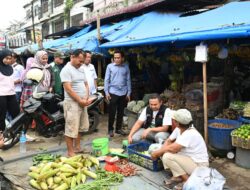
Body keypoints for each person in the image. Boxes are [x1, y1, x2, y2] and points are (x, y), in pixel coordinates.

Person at [151, 109, 209, 190]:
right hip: (189, 160)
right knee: (164, 151)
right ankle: (179, 176)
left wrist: (157, 153)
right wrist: (160, 151)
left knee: (167, 156)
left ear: (176, 122)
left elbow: (173, 148)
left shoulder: (190, 133)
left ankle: (186, 180)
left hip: (199, 166)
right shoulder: (180, 128)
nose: (172, 121)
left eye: (173, 120)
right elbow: (169, 140)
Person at [60, 49, 92, 157]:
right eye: (80, 61)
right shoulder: (66, 70)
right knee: (71, 128)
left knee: (80, 127)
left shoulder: (81, 69)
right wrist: (80, 100)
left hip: (82, 102)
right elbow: (68, 89)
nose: (81, 63)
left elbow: (86, 84)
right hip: (72, 103)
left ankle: (77, 147)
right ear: (72, 57)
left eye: (83, 61)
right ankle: (70, 152)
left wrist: (86, 97)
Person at [104, 50, 131, 137]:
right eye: (115, 58)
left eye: (118, 58)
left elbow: (128, 80)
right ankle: (110, 129)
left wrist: (129, 93)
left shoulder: (126, 67)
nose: (116, 59)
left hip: (123, 92)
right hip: (113, 92)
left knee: (121, 111)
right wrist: (106, 92)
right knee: (112, 112)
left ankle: (118, 129)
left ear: (122, 58)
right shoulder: (110, 66)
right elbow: (106, 79)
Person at [0, 49, 20, 131]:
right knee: (1, 116)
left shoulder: (11, 67)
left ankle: (18, 132)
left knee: (16, 114)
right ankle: (1, 135)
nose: (8, 60)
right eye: (6, 58)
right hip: (1, 95)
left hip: (11, 94)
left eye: (10, 58)